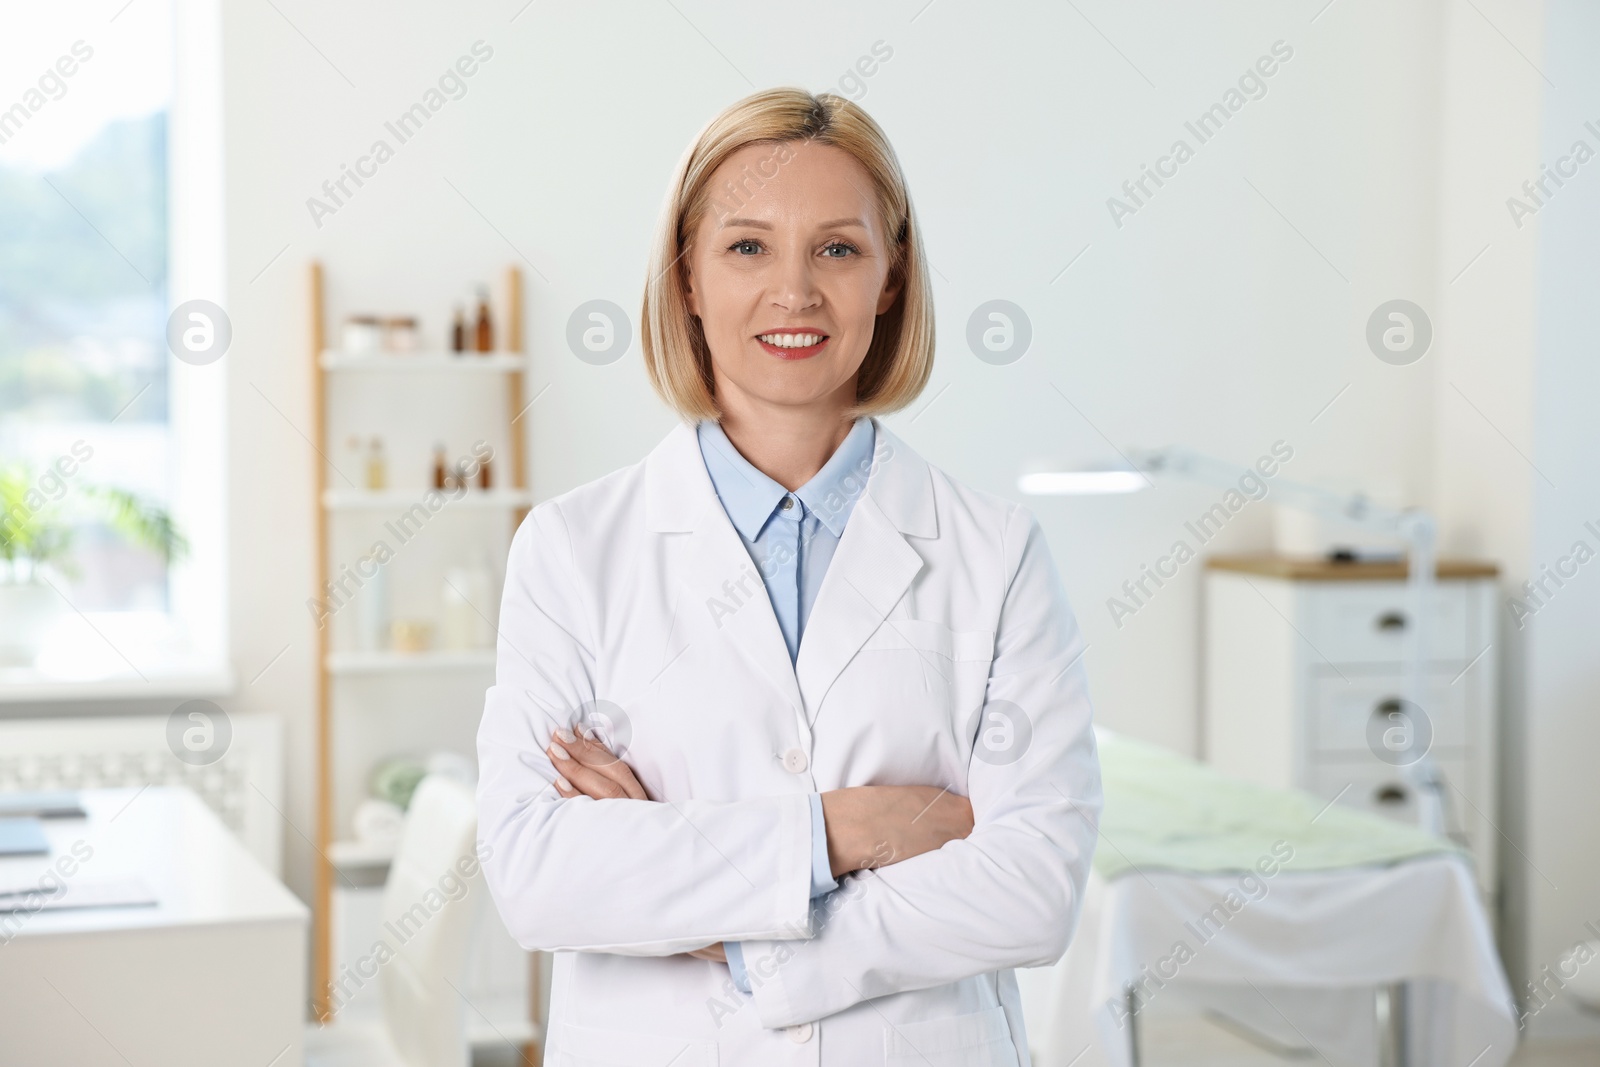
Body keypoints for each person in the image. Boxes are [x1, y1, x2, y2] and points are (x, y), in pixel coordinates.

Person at [476, 86, 1101, 1066]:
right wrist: (833, 832)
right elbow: (537, 873)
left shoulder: (994, 553)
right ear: (686, 275)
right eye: (747, 246)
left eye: (839, 249)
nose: (796, 291)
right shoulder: (571, 548)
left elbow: (1035, 885)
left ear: (891, 277)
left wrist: (728, 925)